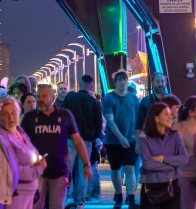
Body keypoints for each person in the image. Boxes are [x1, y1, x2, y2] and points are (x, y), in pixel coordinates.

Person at [21, 84, 91, 209]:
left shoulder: (65, 115)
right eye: (38, 96)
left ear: (53, 98)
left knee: (57, 206)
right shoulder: (29, 117)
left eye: (44, 96)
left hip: (59, 171)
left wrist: (86, 164)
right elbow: (20, 143)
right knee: (35, 206)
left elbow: (77, 140)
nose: (40, 99)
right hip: (37, 172)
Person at [62, 75, 103, 208]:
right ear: (91, 85)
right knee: (83, 170)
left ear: (79, 83)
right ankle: (80, 201)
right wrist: (92, 136)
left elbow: (62, 115)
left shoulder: (70, 97)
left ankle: (67, 197)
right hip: (86, 141)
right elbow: (99, 124)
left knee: (67, 169)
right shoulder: (94, 103)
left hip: (69, 139)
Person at [0, 98, 46, 209]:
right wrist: (38, 169)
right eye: (5, 114)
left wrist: (39, 161)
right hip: (17, 192)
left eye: (13, 112)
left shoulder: (19, 130)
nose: (10, 117)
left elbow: (32, 152)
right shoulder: (1, 135)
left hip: (30, 191)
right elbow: (13, 168)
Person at [137, 103, 188, 209]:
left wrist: (162, 158)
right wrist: (173, 165)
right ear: (156, 118)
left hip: (172, 186)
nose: (171, 117)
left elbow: (184, 158)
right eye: (166, 114)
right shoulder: (143, 138)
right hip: (151, 188)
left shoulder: (175, 136)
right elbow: (148, 164)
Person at [103, 70, 140, 209]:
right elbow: (110, 121)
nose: (123, 82)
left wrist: (138, 137)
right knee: (115, 169)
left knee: (130, 168)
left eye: (125, 79)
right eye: (120, 80)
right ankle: (118, 196)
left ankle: (131, 198)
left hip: (131, 139)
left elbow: (138, 119)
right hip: (113, 140)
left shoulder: (134, 99)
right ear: (116, 83)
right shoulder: (109, 98)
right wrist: (120, 137)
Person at [136, 72, 167, 136]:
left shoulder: (171, 100)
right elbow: (139, 125)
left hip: (168, 139)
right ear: (152, 83)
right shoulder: (145, 101)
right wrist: (138, 143)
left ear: (165, 82)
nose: (160, 84)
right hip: (150, 139)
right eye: (157, 82)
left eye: (162, 81)